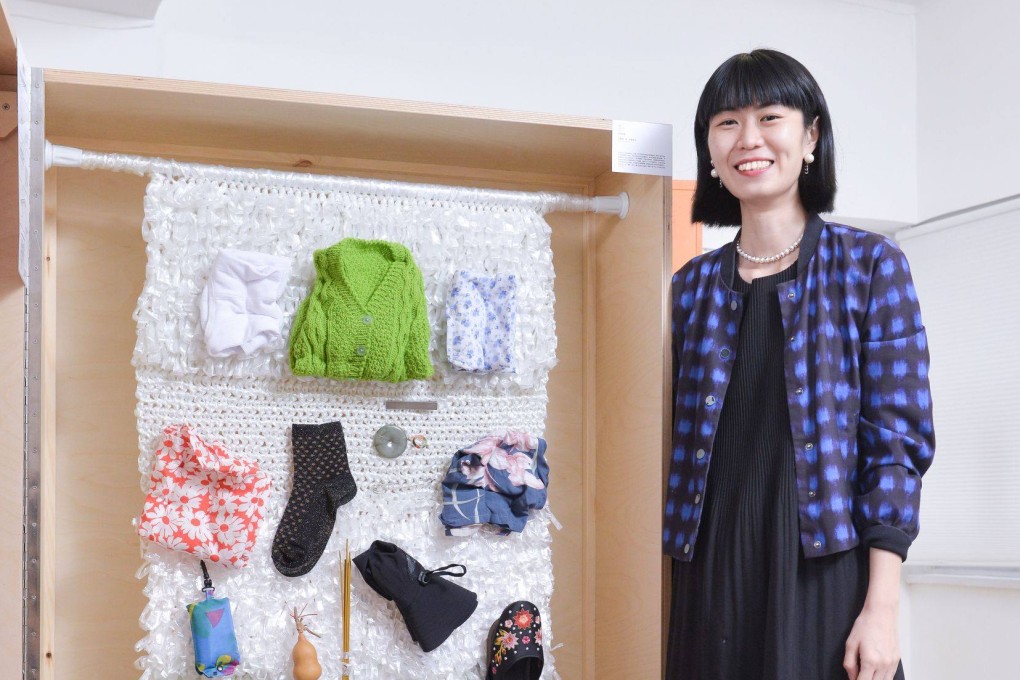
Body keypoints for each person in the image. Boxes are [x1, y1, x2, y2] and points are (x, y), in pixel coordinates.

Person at [663, 49, 934, 680]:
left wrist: (882, 609)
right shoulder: (690, 288)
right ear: (709, 148)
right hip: (710, 580)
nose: (748, 139)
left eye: (770, 117)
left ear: (810, 136)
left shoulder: (869, 266)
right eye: (727, 122)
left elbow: (896, 442)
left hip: (823, 574)